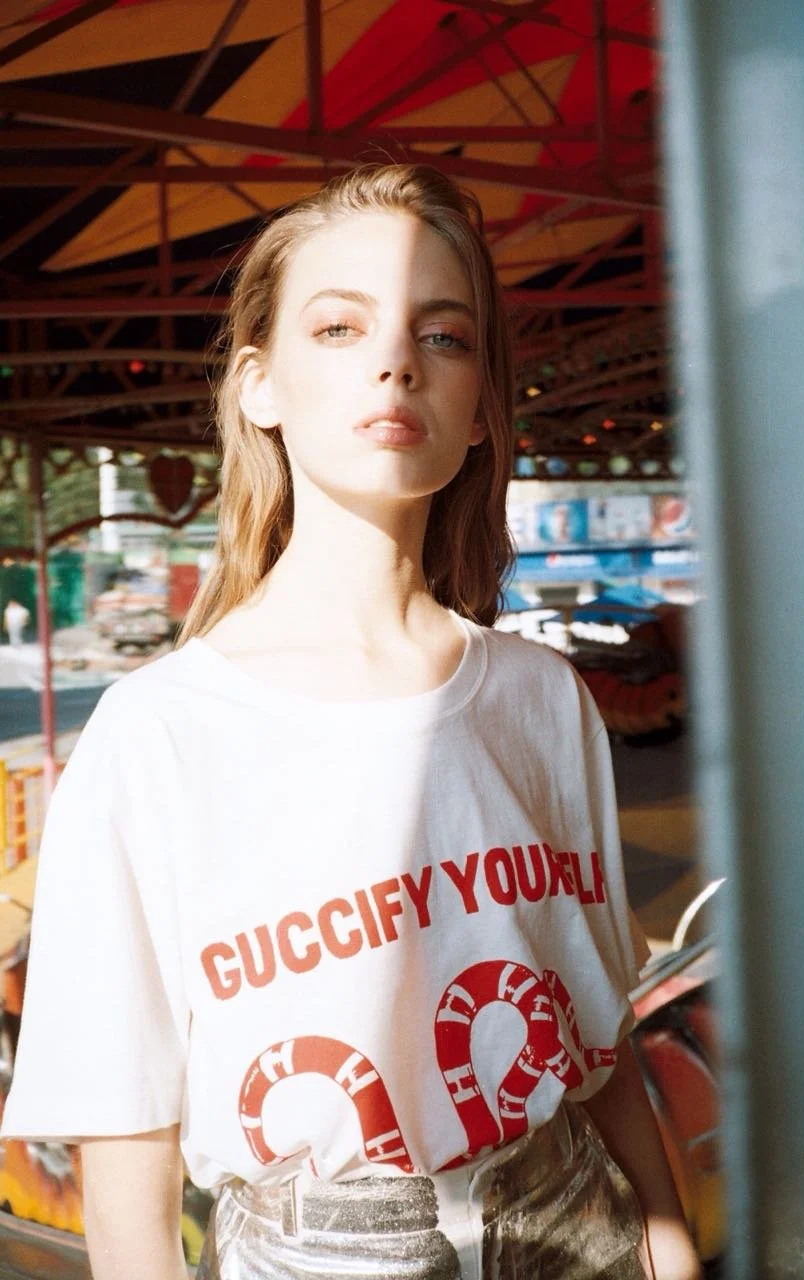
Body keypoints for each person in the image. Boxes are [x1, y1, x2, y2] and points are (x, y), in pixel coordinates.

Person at [0, 165, 701, 1280]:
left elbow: (596, 1038)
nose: (395, 362)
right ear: (258, 386)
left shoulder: (540, 696)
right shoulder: (156, 734)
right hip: (321, 1249)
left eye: (444, 335)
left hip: (577, 1226)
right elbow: (124, 1138)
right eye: (338, 327)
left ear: (479, 409)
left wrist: (667, 1243)